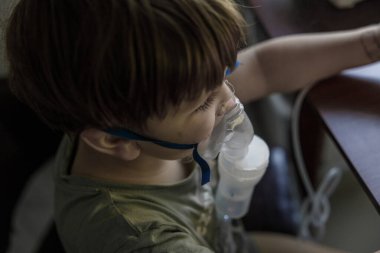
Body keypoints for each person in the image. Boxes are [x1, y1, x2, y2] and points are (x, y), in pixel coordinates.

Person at [5, 0, 380, 252]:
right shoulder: (144, 237)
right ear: (112, 139)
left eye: (226, 72)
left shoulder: (144, 121)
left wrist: (369, 43)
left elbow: (265, 68)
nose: (231, 98)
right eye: (203, 102)